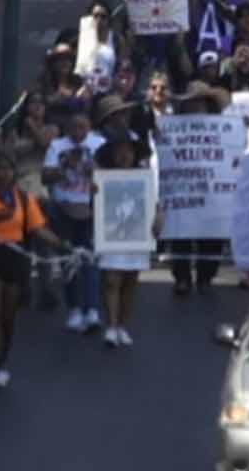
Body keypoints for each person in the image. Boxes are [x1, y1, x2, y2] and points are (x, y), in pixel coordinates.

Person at [0, 152, 69, 386]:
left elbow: (38, 229)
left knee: (9, 315)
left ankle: (5, 355)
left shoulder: (24, 199)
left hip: (17, 259)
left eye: (7, 169)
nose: (2, 173)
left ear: (13, 173)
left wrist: (62, 245)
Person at [94, 134, 158, 349]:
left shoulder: (145, 177)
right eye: (119, 151)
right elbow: (94, 205)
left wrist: (157, 219)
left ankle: (122, 326)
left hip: (137, 236)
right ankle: (111, 326)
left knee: (130, 282)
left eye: (128, 151)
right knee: (112, 280)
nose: (123, 155)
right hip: (111, 235)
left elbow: (155, 204)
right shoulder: (102, 177)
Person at [43, 110, 106, 331]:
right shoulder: (57, 146)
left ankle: (92, 309)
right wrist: (64, 167)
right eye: (74, 127)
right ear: (68, 128)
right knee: (69, 260)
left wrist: (94, 170)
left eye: (82, 126)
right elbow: (45, 177)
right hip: (63, 209)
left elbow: (112, 174)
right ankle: (74, 309)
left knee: (90, 259)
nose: (78, 131)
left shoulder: (100, 144)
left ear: (89, 126)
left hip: (90, 209)